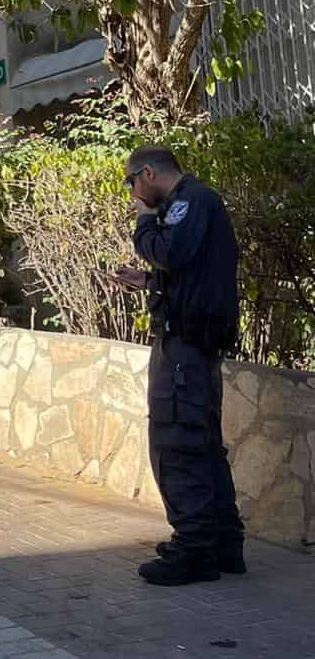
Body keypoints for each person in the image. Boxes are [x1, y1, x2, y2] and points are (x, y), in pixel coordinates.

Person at [119, 145, 245, 586]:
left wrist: (143, 223)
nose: (133, 192)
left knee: (178, 441)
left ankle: (194, 550)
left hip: (186, 346)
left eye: (132, 182)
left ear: (148, 173)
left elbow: (171, 254)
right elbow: (190, 273)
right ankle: (222, 544)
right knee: (203, 441)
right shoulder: (195, 203)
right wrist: (150, 283)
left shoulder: (189, 202)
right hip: (195, 341)